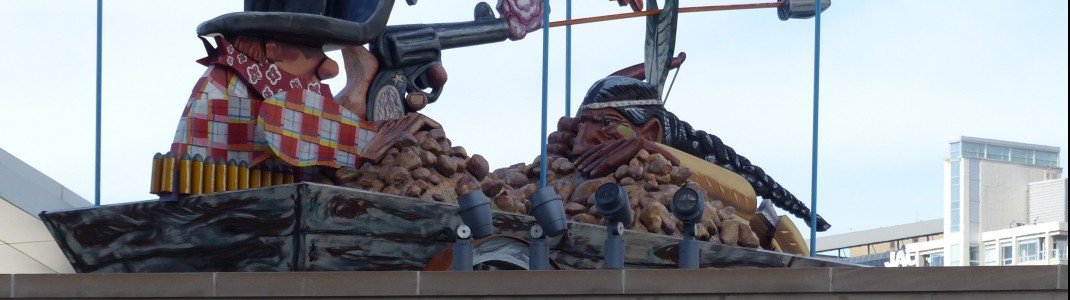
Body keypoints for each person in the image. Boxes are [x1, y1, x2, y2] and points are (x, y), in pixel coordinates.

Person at [548, 75, 830, 232]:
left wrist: (651, 153)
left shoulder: (678, 183)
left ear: (649, 132)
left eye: (608, 124)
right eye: (583, 124)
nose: (584, 141)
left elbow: (745, 196)